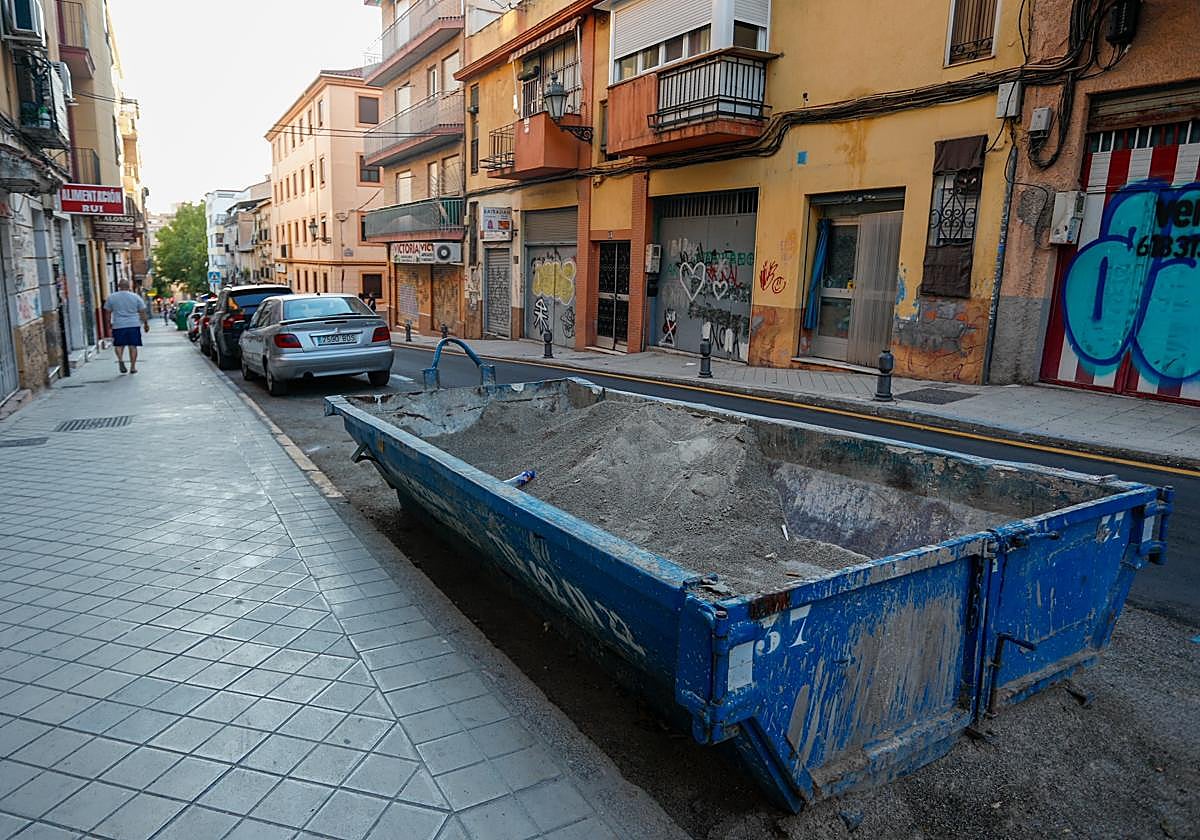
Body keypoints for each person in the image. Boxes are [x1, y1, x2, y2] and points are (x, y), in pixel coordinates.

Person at [103, 280, 150, 374]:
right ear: (129, 286)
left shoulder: (112, 297)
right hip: (133, 324)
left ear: (118, 286)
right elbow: (142, 311)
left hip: (118, 325)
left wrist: (108, 324)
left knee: (119, 345)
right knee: (133, 346)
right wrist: (145, 324)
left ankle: (120, 360)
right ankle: (133, 367)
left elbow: (107, 312)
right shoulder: (135, 297)